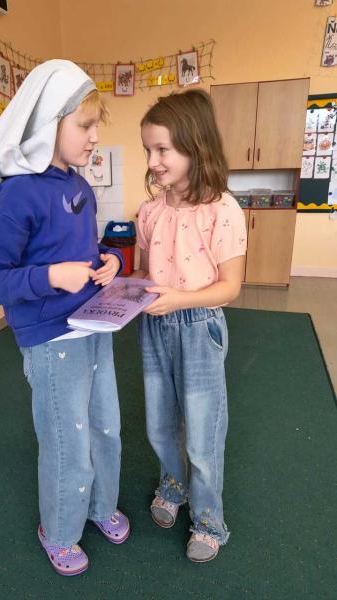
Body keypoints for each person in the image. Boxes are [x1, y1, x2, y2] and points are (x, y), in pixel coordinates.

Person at [0, 60, 129, 577]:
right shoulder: (17, 194)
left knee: (106, 427)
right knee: (68, 440)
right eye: (84, 125)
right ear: (48, 124)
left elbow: (89, 249)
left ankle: (100, 506)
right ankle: (59, 531)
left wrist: (112, 260)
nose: (95, 136)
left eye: (95, 125)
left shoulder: (79, 185)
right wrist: (49, 277)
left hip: (95, 324)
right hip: (51, 339)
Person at [132, 88, 247, 562]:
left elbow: (230, 287)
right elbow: (144, 272)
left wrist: (178, 299)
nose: (153, 161)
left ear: (194, 146)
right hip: (155, 328)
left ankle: (208, 519)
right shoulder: (150, 211)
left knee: (202, 431)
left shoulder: (223, 210)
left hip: (199, 326)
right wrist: (120, 281)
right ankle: (173, 485)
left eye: (162, 149)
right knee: (160, 423)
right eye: (148, 150)